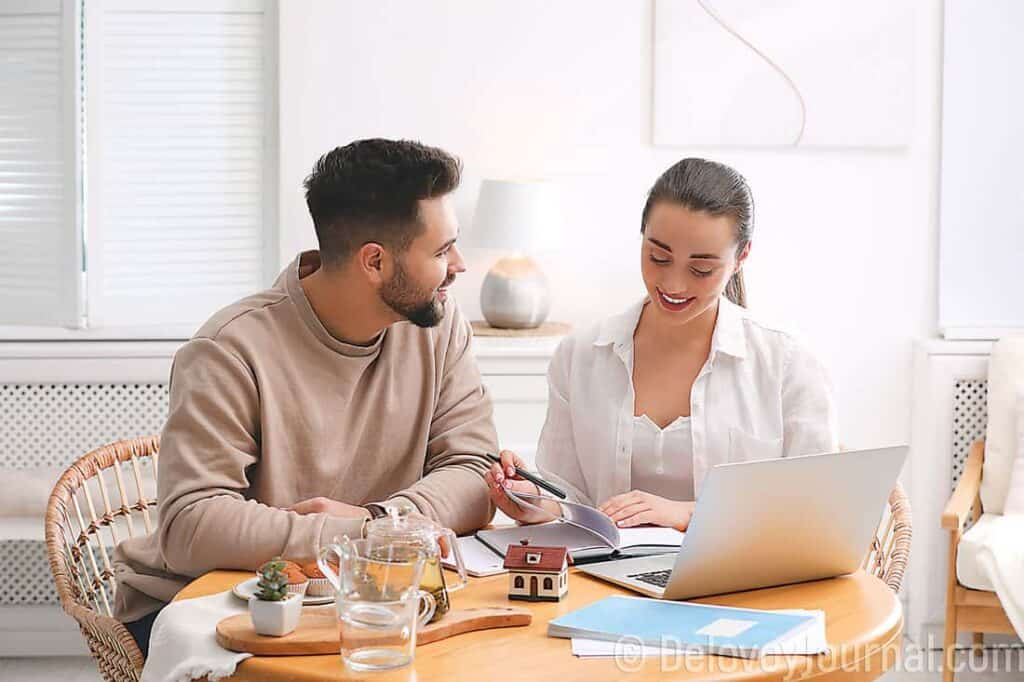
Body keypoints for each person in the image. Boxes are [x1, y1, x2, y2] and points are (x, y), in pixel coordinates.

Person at [113, 139, 498, 654]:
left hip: (353, 597)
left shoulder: (437, 324)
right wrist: (354, 537)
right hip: (209, 604)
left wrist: (382, 524)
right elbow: (191, 526)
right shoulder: (229, 349)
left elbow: (475, 470)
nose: (459, 264)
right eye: (440, 250)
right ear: (375, 262)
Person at [486, 157, 837, 532]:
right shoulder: (580, 356)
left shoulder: (787, 364)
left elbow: (816, 509)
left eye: (701, 269)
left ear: (741, 258)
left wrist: (689, 515)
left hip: (742, 586)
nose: (674, 284)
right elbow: (570, 502)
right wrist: (533, 504)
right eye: (658, 256)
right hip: (604, 581)